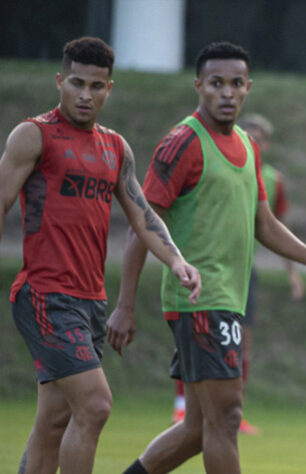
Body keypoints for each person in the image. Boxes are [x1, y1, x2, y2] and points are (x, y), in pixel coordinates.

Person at [106, 42, 306, 474]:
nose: (227, 92)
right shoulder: (182, 143)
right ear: (199, 86)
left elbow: (264, 222)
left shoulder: (249, 147)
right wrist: (124, 306)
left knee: (199, 429)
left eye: (236, 83)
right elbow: (142, 223)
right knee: (228, 418)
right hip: (200, 299)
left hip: (227, 299)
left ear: (248, 88)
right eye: (216, 83)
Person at [0, 37, 200, 474]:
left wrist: (176, 260)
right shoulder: (34, 135)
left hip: (90, 300)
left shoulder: (116, 149)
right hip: (44, 296)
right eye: (76, 83)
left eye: (96, 86)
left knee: (55, 421)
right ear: (59, 81)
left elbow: (143, 214)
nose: (85, 95)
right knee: (94, 405)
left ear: (110, 88)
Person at [169, 113, 305, 435]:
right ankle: (182, 408)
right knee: (192, 339)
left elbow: (274, 226)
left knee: (244, 341)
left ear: (266, 144)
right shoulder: (210, 159)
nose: (252, 139)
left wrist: (295, 271)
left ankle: (235, 411)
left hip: (244, 271)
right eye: (249, 132)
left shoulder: (272, 179)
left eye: (258, 135)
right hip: (204, 268)